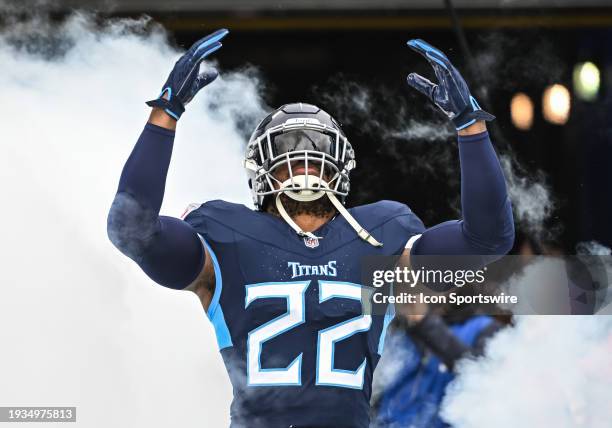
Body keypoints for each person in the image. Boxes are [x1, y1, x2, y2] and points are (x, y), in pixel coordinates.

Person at [107, 29, 514, 428]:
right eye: (290, 159)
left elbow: (487, 240)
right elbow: (130, 228)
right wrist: (165, 113)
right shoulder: (223, 235)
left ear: (341, 166)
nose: (304, 168)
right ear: (261, 170)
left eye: (315, 158)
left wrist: (469, 125)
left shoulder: (383, 234)